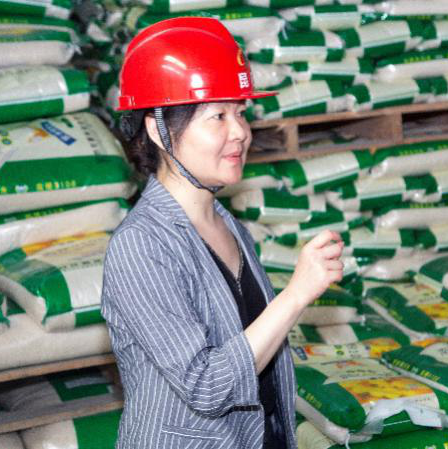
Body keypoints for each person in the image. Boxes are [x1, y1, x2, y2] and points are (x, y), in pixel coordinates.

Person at [100, 17, 345, 449]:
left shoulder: (227, 223)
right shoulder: (140, 246)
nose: (241, 133)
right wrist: (295, 295)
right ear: (159, 130)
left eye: (241, 113)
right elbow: (207, 386)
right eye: (217, 116)